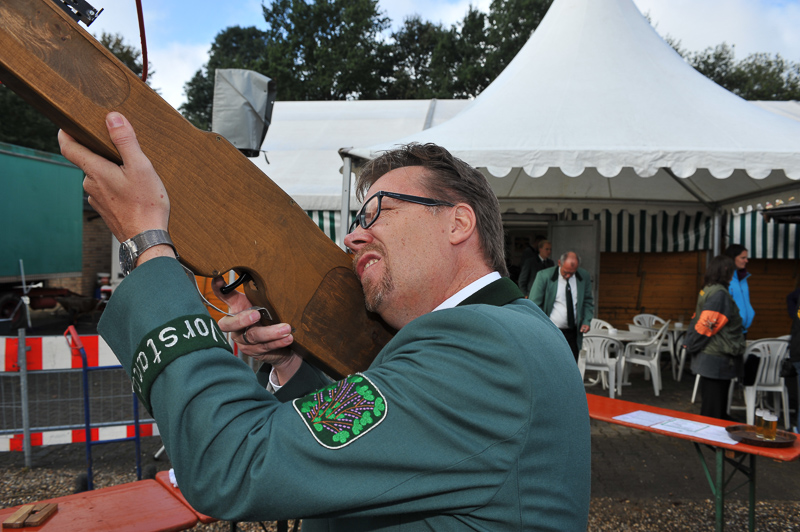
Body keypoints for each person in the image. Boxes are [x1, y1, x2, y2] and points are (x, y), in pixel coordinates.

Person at [58, 112, 591, 530]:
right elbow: (372, 451)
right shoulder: (503, 331)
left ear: (457, 222)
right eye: (357, 218)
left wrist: (149, 244)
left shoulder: (483, 348)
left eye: (379, 211)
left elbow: (234, 461)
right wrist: (292, 362)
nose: (354, 236)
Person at [683, 255, 745, 420]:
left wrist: (689, 343)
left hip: (713, 356)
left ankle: (715, 433)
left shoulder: (708, 289)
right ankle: (710, 435)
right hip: (716, 358)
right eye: (732, 271)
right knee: (713, 411)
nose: (733, 274)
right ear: (726, 271)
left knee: (714, 407)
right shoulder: (719, 294)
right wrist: (692, 345)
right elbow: (706, 326)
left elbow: (697, 319)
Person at [529, 251, 594, 362]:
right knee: (551, 362)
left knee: (572, 362)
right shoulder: (544, 276)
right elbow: (534, 304)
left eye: (572, 273)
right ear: (559, 263)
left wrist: (586, 321)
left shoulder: (583, 276)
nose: (568, 276)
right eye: (565, 272)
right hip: (551, 330)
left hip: (573, 332)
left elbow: (588, 301)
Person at [724, 244, 755, 337]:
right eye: (743, 258)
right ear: (732, 258)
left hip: (743, 330)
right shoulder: (725, 278)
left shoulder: (743, 278)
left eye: (746, 258)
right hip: (729, 331)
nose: (746, 261)